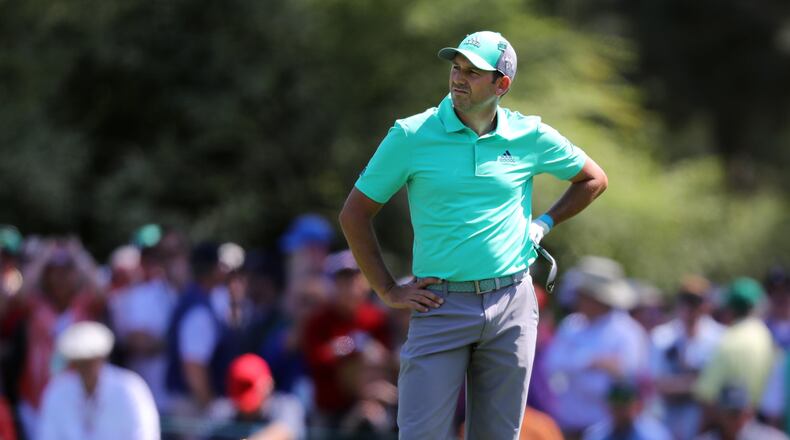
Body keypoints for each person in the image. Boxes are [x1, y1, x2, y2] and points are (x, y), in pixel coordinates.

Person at [339, 30, 608, 439]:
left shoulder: (528, 135)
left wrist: (543, 224)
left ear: (502, 84)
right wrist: (387, 289)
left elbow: (593, 178)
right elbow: (354, 214)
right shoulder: (412, 135)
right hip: (439, 304)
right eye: (456, 67)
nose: (458, 78)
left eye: (473, 72)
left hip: (512, 303)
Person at [542, 267, 650, 438]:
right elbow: (552, 363)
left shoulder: (628, 332)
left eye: (582, 295)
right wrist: (593, 362)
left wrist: (578, 362)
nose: (577, 300)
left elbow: (627, 373)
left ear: (596, 298)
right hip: (569, 426)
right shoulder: (571, 325)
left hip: (608, 431)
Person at [38, 321, 159, 440]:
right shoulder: (57, 391)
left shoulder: (130, 388)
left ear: (102, 357)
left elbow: (144, 435)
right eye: (80, 361)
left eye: (91, 359)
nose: (86, 367)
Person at [651, 275, 725, 440]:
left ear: (707, 304)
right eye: (685, 300)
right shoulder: (662, 336)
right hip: (666, 423)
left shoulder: (720, 338)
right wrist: (695, 383)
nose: (690, 307)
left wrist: (683, 384)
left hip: (704, 426)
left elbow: (715, 391)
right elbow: (657, 384)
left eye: (695, 301)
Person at [693, 278, 775, 417]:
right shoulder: (766, 336)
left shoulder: (729, 340)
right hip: (761, 421)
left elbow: (706, 394)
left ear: (730, 309)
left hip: (731, 425)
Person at [208, 354, 305, 440]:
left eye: (249, 387)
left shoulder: (286, 405)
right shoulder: (222, 411)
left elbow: (285, 431)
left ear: (268, 384)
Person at [583, 378, 672, 440]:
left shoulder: (654, 435)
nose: (620, 411)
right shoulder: (596, 435)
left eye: (624, 406)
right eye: (616, 406)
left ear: (638, 406)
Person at [697, 384, 788, 440]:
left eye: (740, 413)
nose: (736, 420)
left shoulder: (769, 437)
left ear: (749, 414)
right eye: (730, 414)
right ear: (720, 415)